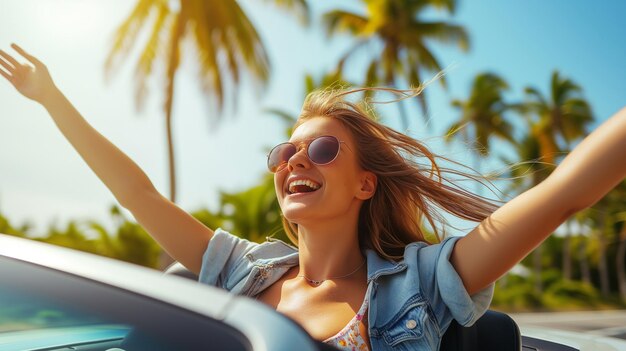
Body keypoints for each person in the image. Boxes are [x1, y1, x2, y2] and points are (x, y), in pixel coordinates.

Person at [1, 43, 624, 351]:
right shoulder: (242, 270)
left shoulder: (426, 283)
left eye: (323, 150)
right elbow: (137, 193)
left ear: (364, 183)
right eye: (285, 152)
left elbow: (564, 193)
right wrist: (52, 98)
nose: (295, 159)